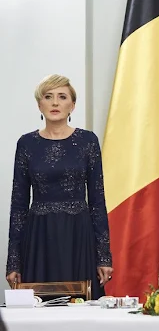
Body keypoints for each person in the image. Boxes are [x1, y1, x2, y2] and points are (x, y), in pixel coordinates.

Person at [5, 74, 113, 299]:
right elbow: (18, 206)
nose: (55, 103)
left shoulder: (88, 141)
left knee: (82, 307)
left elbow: (97, 201)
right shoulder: (26, 144)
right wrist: (14, 261)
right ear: (39, 105)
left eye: (62, 97)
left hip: (78, 235)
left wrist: (103, 257)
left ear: (72, 105)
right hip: (39, 238)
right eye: (48, 96)